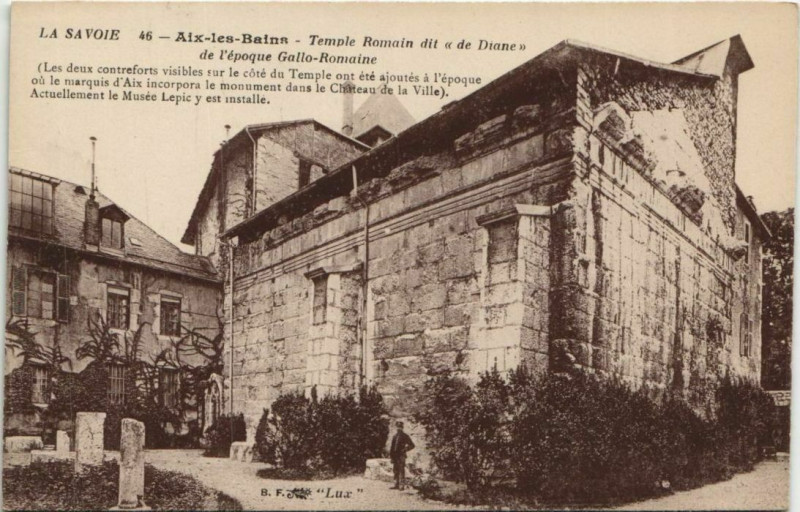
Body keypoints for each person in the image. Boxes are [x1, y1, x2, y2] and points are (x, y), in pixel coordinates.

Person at [389, 420, 415, 490]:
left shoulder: (405, 436)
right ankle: (396, 484)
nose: (398, 428)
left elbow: (412, 445)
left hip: (401, 455)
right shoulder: (394, 436)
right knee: (395, 470)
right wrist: (391, 456)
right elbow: (392, 447)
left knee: (401, 470)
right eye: (397, 427)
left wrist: (405, 449)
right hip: (395, 455)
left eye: (400, 427)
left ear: (402, 428)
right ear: (396, 427)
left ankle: (401, 485)